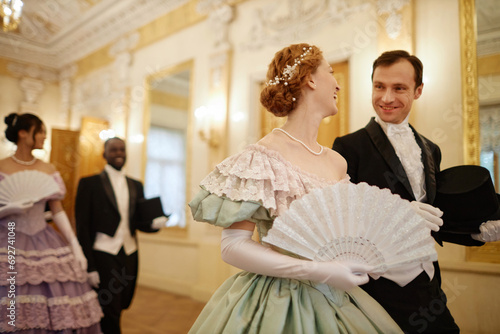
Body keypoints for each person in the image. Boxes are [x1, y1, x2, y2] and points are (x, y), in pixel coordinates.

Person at [187, 43, 442, 333]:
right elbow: (232, 247)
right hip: (276, 300)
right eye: (331, 73)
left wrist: (401, 213)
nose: (337, 84)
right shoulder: (259, 158)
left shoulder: (336, 162)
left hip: (337, 299)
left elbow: (354, 229)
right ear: (310, 79)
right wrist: (316, 270)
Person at [332, 50, 500, 333]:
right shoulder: (349, 148)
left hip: (429, 283)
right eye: (379, 86)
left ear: (418, 90)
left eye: (399, 88)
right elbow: (341, 220)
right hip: (377, 288)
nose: (386, 98)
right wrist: (395, 214)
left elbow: (432, 217)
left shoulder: (431, 149)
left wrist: (473, 233)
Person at [0, 113, 102, 333]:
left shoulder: (48, 169)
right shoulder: (2, 167)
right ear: (23, 133)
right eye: (41, 131)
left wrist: (76, 247)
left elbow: (57, 210)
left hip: (44, 238)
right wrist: (9, 210)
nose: (45, 136)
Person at [75, 137, 167, 334]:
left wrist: (155, 225)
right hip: (103, 252)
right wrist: (89, 267)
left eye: (122, 149)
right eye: (114, 149)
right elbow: (82, 227)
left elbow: (139, 223)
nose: (119, 153)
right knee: (111, 308)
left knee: (124, 301)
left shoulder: (136, 185)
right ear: (104, 154)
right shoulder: (89, 183)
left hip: (130, 252)